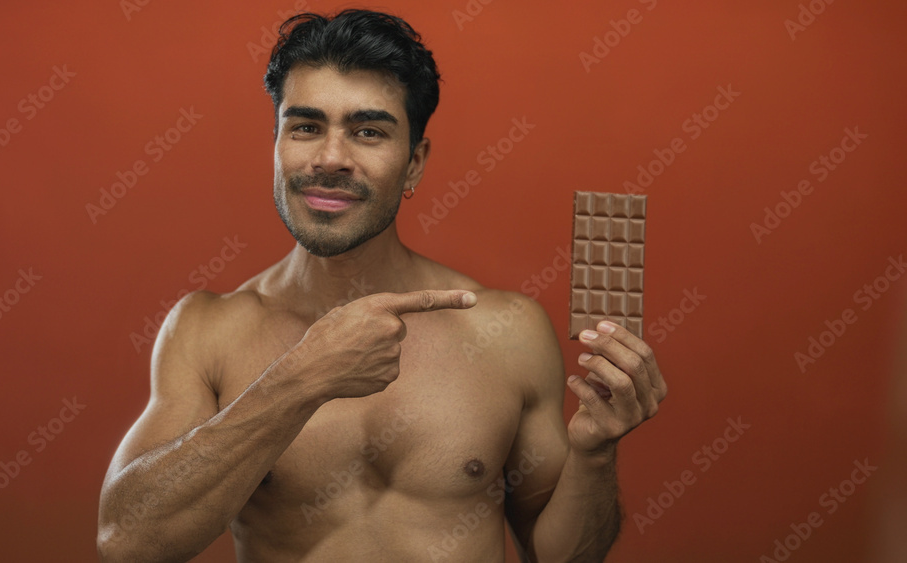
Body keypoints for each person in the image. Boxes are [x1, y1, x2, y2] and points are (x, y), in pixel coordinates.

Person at [97, 9, 666, 562]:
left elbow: (564, 555)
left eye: (368, 131)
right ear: (277, 145)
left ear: (414, 163)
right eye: (306, 126)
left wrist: (594, 456)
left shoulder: (505, 329)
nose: (330, 157)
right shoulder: (207, 328)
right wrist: (300, 380)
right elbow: (128, 542)